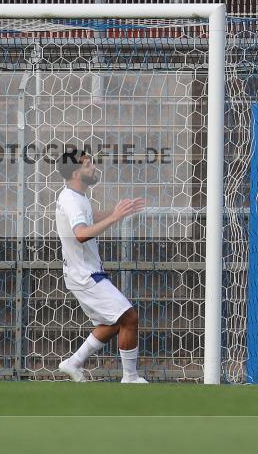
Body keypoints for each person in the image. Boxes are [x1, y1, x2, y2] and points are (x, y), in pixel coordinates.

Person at [55, 146, 147, 383]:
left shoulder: (76, 196)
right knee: (129, 317)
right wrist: (115, 217)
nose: (94, 167)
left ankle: (73, 363)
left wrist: (116, 212)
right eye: (88, 165)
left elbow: (89, 217)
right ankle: (130, 378)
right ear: (76, 173)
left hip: (85, 272)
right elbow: (81, 233)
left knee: (113, 322)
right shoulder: (72, 200)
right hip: (84, 275)